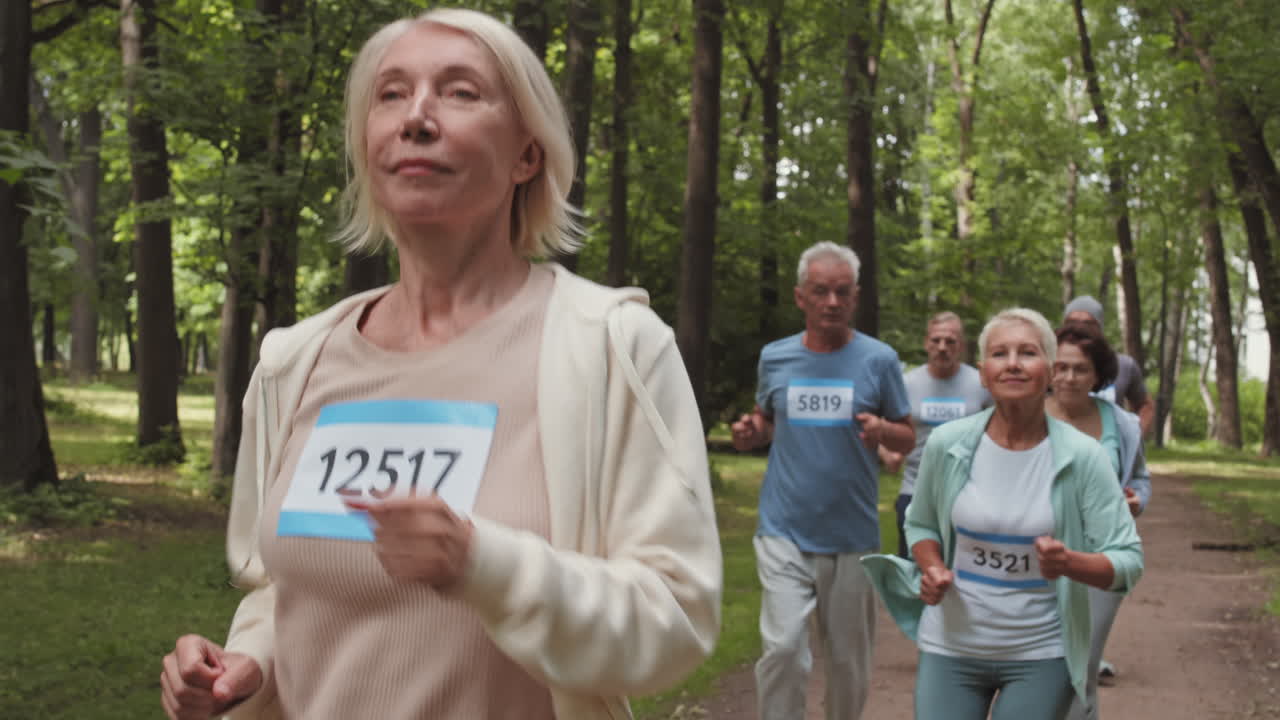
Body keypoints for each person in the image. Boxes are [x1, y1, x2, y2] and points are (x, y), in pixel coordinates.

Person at [158, 9, 721, 720]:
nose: (416, 118)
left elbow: (675, 619)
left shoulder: (613, 347)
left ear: (528, 154)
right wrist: (248, 666)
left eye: (459, 92)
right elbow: (282, 592)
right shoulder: (294, 363)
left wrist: (482, 564)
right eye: (391, 94)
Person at [862, 308, 1143, 720]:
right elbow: (920, 522)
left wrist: (1069, 563)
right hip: (952, 646)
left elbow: (1128, 560)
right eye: (999, 353)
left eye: (1027, 353)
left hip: (1042, 652)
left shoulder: (1084, 457)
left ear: (1049, 370)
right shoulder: (948, 444)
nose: (1012, 363)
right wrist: (932, 565)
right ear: (982, 372)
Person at [731, 241, 914, 720]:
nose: (831, 302)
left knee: (848, 664)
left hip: (851, 535)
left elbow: (908, 434)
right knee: (784, 648)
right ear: (800, 297)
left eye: (841, 292)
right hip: (783, 527)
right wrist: (752, 432)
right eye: (820, 292)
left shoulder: (879, 361)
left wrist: (882, 430)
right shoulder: (776, 358)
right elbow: (767, 420)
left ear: (854, 298)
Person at [1046, 322, 1150, 720]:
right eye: (1061, 367)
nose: (1069, 377)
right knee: (1032, 668)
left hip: (1098, 561)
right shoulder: (1023, 414)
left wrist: (1138, 500)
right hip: (1034, 558)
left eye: (1080, 369)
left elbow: (1139, 477)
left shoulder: (1121, 424)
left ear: (1098, 375)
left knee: (1080, 669)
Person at [881, 312, 992, 559]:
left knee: (961, 568)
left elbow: (1001, 425)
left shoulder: (980, 383)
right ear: (926, 343)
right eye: (936, 340)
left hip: (968, 490)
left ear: (961, 346)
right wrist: (887, 453)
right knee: (913, 569)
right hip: (915, 489)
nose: (942, 348)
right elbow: (880, 424)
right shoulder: (906, 383)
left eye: (950, 341)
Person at [1062, 296, 1154, 436]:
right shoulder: (1049, 362)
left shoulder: (1123, 365)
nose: (1078, 328)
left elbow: (1146, 406)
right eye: (1072, 322)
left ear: (1100, 328)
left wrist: (1133, 441)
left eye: (1088, 323)